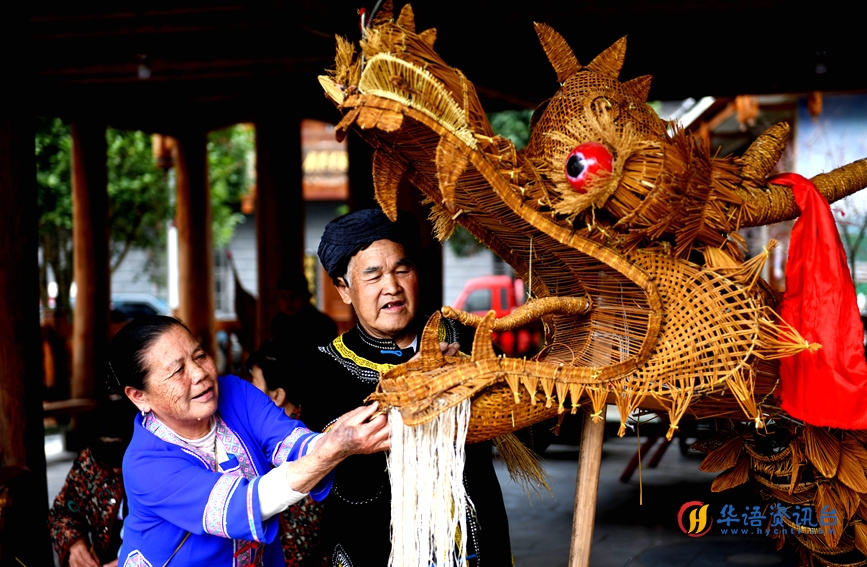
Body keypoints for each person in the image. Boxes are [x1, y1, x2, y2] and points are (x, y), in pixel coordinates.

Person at [299, 208, 514, 566]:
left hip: (472, 547)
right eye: (373, 276)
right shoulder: (324, 368)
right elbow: (327, 456)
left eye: (402, 269)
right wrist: (408, 384)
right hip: (372, 548)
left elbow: (528, 433)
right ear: (344, 290)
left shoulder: (467, 340)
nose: (392, 286)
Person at [108, 315, 389, 567]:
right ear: (139, 396)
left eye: (200, 355)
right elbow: (244, 504)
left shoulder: (235, 392)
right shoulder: (146, 464)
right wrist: (333, 448)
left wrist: (351, 433)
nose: (199, 374)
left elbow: (294, 444)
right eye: (177, 371)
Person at [246, 342, 326, 567]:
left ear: (278, 396)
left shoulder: (303, 446)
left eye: (253, 385)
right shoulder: (269, 439)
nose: (246, 395)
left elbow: (302, 536)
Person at [48, 396, 138, 567]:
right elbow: (61, 512)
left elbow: (177, 535)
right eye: (106, 458)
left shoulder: (156, 464)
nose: (115, 470)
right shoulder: (90, 462)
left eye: (120, 457)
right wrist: (75, 544)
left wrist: (133, 562)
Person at [270, 271, 337, 355]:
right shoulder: (279, 322)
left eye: (294, 296)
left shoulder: (322, 324)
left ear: (305, 297)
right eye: (283, 296)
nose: (288, 302)